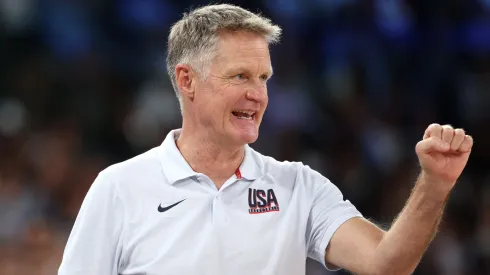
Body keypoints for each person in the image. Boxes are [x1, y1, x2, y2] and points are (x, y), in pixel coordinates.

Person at [58, 4, 474, 275]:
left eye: (263, 78)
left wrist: (434, 187)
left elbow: (387, 265)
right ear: (187, 80)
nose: (257, 94)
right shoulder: (119, 188)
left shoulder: (299, 187)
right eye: (240, 76)